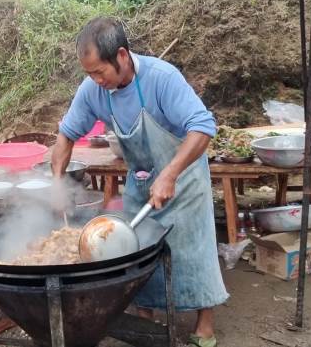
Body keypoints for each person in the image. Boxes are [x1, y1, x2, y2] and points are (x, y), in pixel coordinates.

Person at [51, 17, 228, 347]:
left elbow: (203, 127)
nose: (95, 80)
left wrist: (171, 173)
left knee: (192, 249)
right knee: (136, 249)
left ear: (121, 55)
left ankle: (205, 320)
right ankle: (145, 313)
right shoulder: (93, 90)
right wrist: (58, 185)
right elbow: (65, 138)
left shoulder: (162, 78)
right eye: (88, 73)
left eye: (99, 71)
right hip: (142, 177)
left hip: (184, 175)